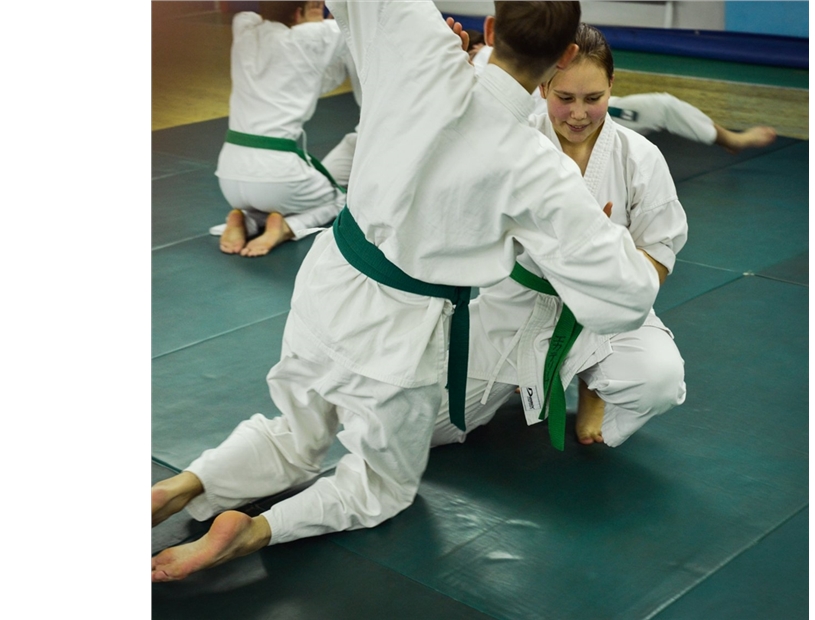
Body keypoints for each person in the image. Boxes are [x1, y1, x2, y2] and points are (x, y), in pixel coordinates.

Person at [151, 0, 664, 583]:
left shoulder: (419, 48)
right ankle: (257, 530)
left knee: (295, 431)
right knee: (381, 486)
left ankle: (183, 484)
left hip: (328, 284)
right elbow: (627, 298)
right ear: (566, 56)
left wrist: (448, 49)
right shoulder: (541, 168)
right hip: (402, 334)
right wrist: (604, 234)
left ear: (491, 28)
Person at [431, 23, 687, 450]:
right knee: (426, 425)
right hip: (515, 309)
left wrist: (601, 260)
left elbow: (658, 252)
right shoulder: (516, 142)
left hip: (607, 316)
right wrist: (447, 77)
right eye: (565, 98)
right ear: (544, 86)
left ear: (612, 85)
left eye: (594, 98)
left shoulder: (640, 158)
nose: (579, 113)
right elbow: (451, 161)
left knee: (658, 381)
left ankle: (593, 386)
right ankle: (529, 374)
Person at [212, 1, 358, 257]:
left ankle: (245, 219)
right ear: (298, 13)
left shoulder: (244, 28)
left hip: (228, 177)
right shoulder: (313, 37)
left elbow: (264, 14)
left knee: (279, 197)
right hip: (278, 175)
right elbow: (353, 24)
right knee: (345, 198)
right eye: (315, 7)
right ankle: (287, 228)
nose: (321, 11)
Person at [471, 37, 776, 155]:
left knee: (663, 106)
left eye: (474, 48)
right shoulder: (469, 71)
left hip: (591, 113)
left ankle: (731, 139)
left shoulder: (499, 53)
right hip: (540, 131)